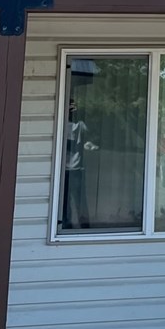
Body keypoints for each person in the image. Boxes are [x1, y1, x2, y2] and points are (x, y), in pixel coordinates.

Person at [62, 95, 97, 229]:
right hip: (75, 169)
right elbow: (91, 136)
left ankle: (67, 225)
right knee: (78, 201)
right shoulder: (80, 125)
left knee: (67, 201)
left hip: (68, 169)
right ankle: (83, 225)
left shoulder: (65, 126)